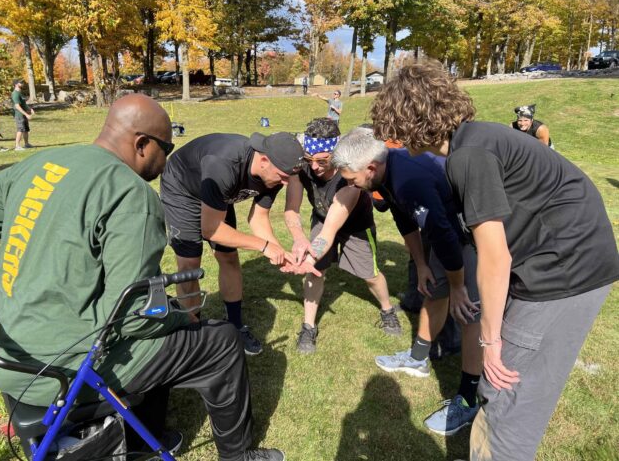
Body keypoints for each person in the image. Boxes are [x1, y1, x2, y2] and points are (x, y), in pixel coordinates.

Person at [0, 94, 285, 461]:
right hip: (65, 369)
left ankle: (145, 440)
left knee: (167, 319)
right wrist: (182, 315)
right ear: (142, 144)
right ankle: (237, 457)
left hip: (6, 353)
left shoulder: (43, 162)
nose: (168, 158)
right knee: (220, 341)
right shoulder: (132, 195)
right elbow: (134, 320)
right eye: (167, 147)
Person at [370, 61, 619, 461]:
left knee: (507, 396)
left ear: (408, 119)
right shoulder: (473, 141)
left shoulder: (471, 154)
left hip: (564, 268)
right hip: (563, 259)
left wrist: (490, 339)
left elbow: (494, 255)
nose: (392, 137)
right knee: (500, 388)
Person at [332, 127, 483, 436]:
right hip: (447, 226)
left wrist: (457, 286)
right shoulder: (384, 176)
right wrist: (421, 263)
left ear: (370, 167)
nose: (350, 185)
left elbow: (445, 235)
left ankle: (469, 400)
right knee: (435, 291)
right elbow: (405, 220)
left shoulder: (408, 179)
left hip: (471, 225)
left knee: (470, 310)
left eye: (351, 179)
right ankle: (418, 359)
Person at [160, 131, 317, 356]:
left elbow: (258, 218)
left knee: (229, 257)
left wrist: (280, 253)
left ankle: (235, 326)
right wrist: (263, 246)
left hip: (218, 195)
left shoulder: (276, 169)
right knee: (189, 266)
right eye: (283, 177)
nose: (284, 183)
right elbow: (211, 229)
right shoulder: (224, 164)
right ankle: (192, 332)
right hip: (183, 189)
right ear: (264, 160)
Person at [284, 118, 401, 354]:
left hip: (356, 224)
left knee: (370, 274)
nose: (314, 167)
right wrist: (299, 239)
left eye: (322, 161)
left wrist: (308, 257)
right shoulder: (302, 167)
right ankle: (308, 326)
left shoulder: (350, 175)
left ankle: (387, 309)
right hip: (321, 217)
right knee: (314, 272)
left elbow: (330, 231)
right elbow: (291, 209)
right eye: (309, 160)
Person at [11, 79, 34, 151]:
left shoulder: (20, 93)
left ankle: (26, 144)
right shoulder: (15, 94)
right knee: (20, 129)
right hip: (19, 115)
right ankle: (17, 146)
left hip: (24, 114)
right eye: (20, 82)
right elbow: (17, 106)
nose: (22, 83)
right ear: (16, 84)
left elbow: (24, 104)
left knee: (26, 129)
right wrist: (26, 114)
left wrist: (30, 109)